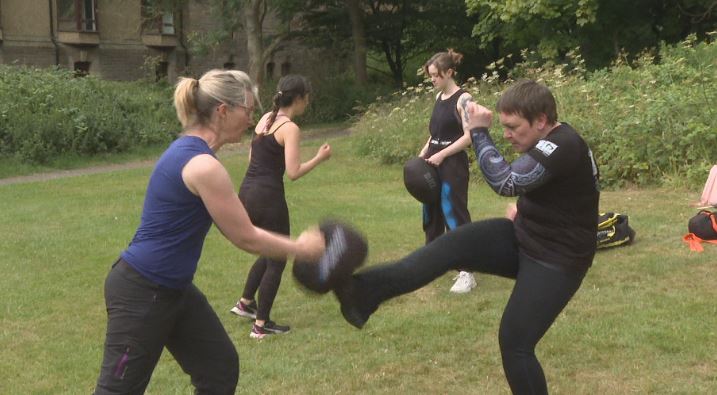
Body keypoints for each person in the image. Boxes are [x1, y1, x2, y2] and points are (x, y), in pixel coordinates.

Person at [334, 80, 600, 394]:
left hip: (557, 259)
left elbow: (507, 181)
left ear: (541, 120)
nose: (507, 134)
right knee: (448, 247)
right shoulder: (547, 140)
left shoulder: (564, 143)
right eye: (503, 127)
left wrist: (478, 131)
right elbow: (548, 188)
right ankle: (361, 294)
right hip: (525, 236)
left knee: (515, 342)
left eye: (513, 127)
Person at [93, 69, 325, 394]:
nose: (251, 118)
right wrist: (302, 246)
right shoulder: (203, 166)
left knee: (219, 367)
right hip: (142, 291)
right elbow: (245, 236)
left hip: (174, 288)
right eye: (247, 109)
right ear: (223, 111)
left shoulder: (195, 153)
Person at [229, 75, 332, 339]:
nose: (307, 101)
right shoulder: (290, 128)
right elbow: (293, 172)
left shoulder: (265, 119)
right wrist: (320, 158)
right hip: (268, 196)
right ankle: (261, 326)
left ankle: (245, 304)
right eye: (306, 97)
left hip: (247, 192)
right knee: (277, 258)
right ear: (298, 98)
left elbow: (253, 157)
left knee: (267, 249)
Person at [420, 49, 479, 294]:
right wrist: (423, 153)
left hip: (452, 163)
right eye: (431, 76)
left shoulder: (464, 99)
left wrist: (443, 154)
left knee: (453, 212)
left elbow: (469, 137)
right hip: (432, 161)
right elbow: (435, 135)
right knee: (431, 212)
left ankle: (467, 272)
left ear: (449, 73)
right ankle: (434, 261)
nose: (432, 80)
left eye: (436, 76)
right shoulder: (438, 98)